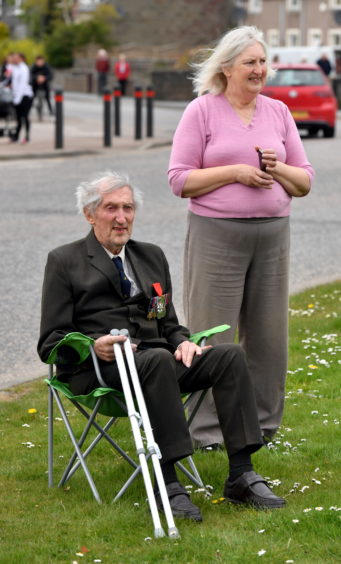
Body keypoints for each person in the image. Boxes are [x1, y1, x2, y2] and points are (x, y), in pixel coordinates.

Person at [38, 171, 286, 521]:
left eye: (128, 208)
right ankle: (168, 483)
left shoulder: (151, 256)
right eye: (111, 208)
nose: (121, 218)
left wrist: (183, 342)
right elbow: (50, 342)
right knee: (157, 360)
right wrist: (95, 346)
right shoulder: (65, 261)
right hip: (100, 371)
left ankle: (242, 475)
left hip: (158, 364)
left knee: (228, 355)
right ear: (90, 214)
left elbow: (167, 322)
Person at [168, 26, 315, 450]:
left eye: (263, 62)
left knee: (269, 338)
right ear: (227, 67)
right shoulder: (202, 111)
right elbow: (179, 179)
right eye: (249, 62)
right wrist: (233, 172)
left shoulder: (279, 112)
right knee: (212, 335)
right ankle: (208, 431)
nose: (259, 70)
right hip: (216, 235)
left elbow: (303, 181)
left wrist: (277, 169)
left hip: (272, 236)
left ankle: (264, 426)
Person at [10, 52, 33, 144]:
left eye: (16, 58)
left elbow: (22, 85)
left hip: (25, 96)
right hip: (17, 96)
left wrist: (18, 99)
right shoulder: (15, 68)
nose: (14, 59)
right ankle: (16, 136)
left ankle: (27, 137)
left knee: (25, 116)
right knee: (19, 118)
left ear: (22, 59)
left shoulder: (24, 68)